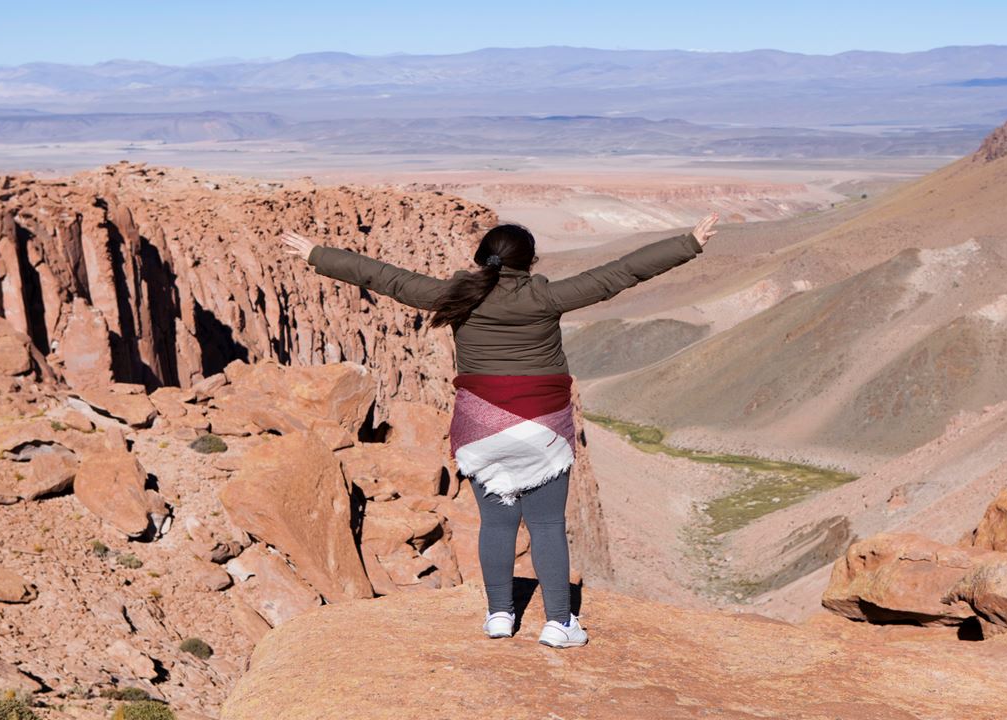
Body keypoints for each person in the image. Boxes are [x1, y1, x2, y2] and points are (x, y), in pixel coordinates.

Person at [280, 212, 717, 648]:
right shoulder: (547, 297)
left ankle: (499, 617)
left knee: (497, 523)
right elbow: (619, 274)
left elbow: (386, 278)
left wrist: (319, 254)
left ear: (482, 258)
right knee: (545, 524)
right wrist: (689, 242)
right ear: (530, 263)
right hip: (542, 426)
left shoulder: (457, 296)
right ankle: (559, 623)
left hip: (480, 426)